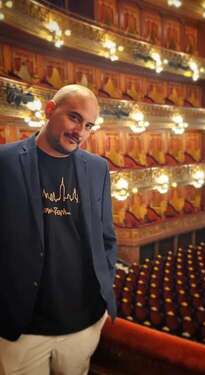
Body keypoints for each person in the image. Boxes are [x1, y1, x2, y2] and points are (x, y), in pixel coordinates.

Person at [0, 84, 117, 374]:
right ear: (50, 110)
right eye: (74, 118)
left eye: (89, 125)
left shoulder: (98, 167)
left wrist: (104, 283)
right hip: (23, 329)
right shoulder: (5, 162)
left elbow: (106, 237)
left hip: (83, 324)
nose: (81, 132)